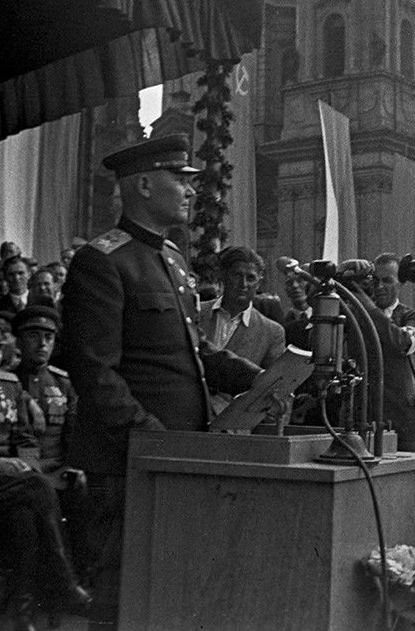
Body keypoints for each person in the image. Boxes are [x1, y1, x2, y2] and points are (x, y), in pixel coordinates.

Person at [61, 133, 263, 628]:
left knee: (170, 583)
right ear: (145, 185)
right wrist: (150, 436)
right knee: (122, 585)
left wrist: (259, 377)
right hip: (129, 457)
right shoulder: (102, 261)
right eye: (181, 179)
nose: (192, 191)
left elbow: (194, 350)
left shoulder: (172, 260)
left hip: (177, 451)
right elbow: (94, 370)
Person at [0, 321, 89, 630]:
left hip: (17, 480)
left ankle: (22, 614)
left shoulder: (10, 386)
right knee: (36, 489)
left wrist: (25, 464)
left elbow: (26, 439)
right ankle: (64, 581)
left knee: (24, 518)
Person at [13, 305, 89, 580]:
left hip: (59, 468)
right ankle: (63, 582)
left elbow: (75, 433)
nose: (42, 343)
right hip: (25, 470)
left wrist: (77, 466)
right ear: (19, 340)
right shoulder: (7, 382)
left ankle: (83, 576)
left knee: (87, 491)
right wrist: (23, 399)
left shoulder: (64, 383)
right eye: (34, 335)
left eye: (49, 336)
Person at [345, 252, 415, 452]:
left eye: (387, 280)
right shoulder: (356, 311)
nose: (379, 286)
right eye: (375, 280)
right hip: (362, 417)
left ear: (401, 284)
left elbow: (403, 342)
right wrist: (342, 273)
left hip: (402, 422)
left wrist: (367, 306)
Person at [200, 247, 287, 370]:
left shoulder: (272, 333)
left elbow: (270, 384)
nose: (243, 284)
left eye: (251, 278)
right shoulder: (196, 312)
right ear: (223, 276)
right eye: (237, 275)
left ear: (258, 283)